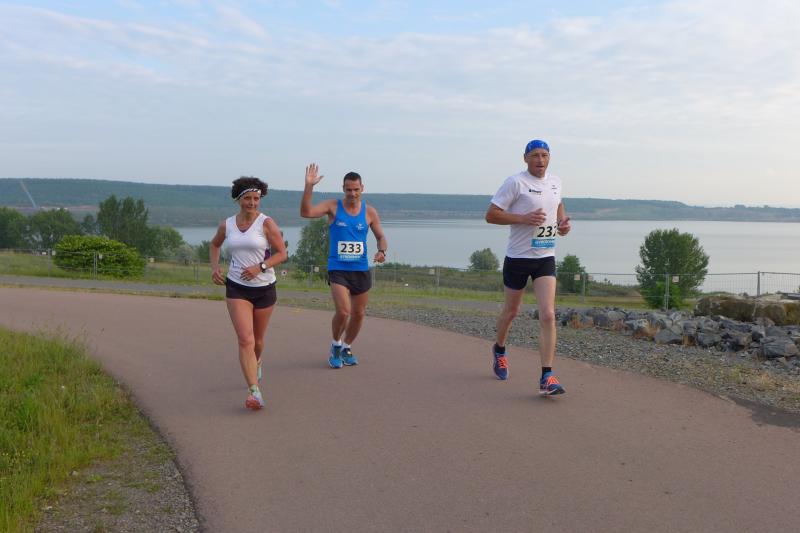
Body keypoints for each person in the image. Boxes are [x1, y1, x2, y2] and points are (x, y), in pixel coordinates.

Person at [485, 139, 571, 395]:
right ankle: (499, 349)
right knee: (511, 312)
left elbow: (558, 204)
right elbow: (491, 214)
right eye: (535, 155)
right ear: (525, 158)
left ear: (549, 158)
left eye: (544, 155)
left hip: (545, 256)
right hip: (518, 258)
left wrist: (562, 223)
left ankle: (547, 376)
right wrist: (522, 218)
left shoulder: (556, 181)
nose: (540, 160)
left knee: (548, 314)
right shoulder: (515, 182)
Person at [210, 176, 288, 410]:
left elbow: (282, 253)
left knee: (258, 341)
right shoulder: (227, 225)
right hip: (236, 287)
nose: (252, 203)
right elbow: (214, 244)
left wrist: (260, 267)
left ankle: (257, 361)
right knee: (245, 338)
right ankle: (254, 392)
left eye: (256, 198)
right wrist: (215, 267)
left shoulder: (266, 223)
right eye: (248, 199)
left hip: (264, 287)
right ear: (238, 199)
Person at [300, 163, 388, 368]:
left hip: (360, 269)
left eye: (356, 189)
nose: (352, 193)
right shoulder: (333, 206)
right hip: (338, 268)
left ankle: (347, 347)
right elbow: (306, 212)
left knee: (359, 314)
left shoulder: (370, 212)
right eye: (348, 189)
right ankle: (336, 344)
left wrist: (382, 251)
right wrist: (309, 186)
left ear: (362, 188)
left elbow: (381, 237)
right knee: (344, 311)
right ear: (343, 188)